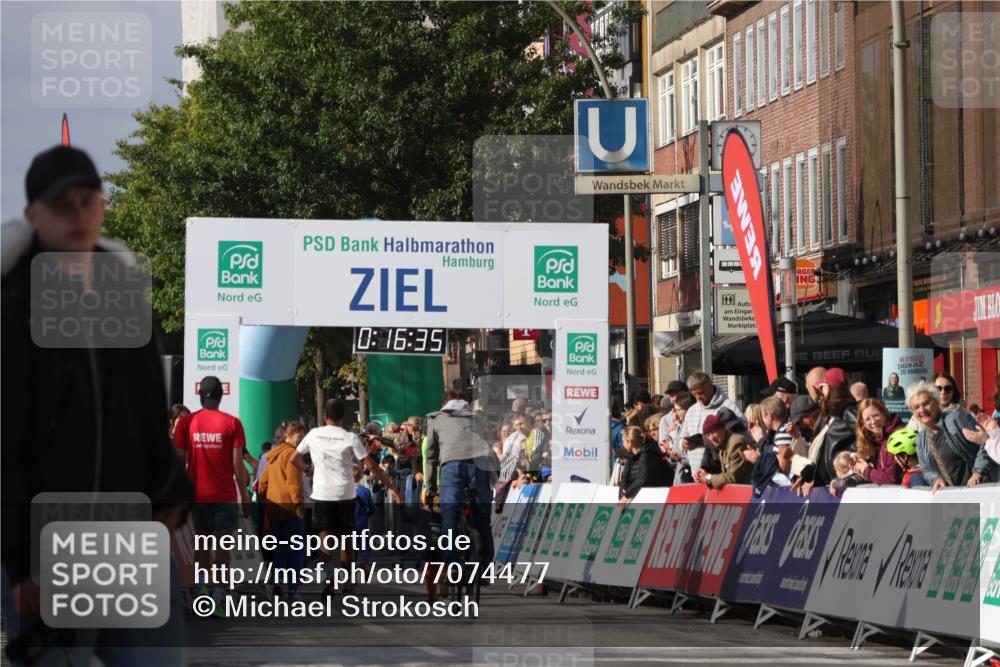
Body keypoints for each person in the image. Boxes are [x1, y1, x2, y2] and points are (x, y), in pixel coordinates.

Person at [2, 145, 192, 664]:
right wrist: (21, 566)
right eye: (61, 204)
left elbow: (150, 411)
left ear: (103, 207)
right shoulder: (12, 303)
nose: (78, 215)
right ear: (32, 215)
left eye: (89, 201)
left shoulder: (125, 289)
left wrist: (171, 504)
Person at [291, 399, 401, 598]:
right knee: (347, 540)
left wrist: (308, 470)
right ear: (343, 418)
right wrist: (392, 487)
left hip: (322, 493)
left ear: (325, 415)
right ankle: (348, 582)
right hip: (345, 493)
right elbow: (372, 466)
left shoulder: (314, 434)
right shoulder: (350, 437)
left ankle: (330, 577)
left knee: (325, 538)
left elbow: (294, 458)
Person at [173, 375, 249, 613]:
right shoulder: (232, 423)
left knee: (202, 546)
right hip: (225, 496)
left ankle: (202, 590)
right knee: (222, 548)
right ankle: (219, 594)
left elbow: (179, 463)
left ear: (199, 395)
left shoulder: (187, 423)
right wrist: (244, 496)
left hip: (197, 496)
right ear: (221, 396)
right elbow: (238, 466)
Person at [424, 389, 496, 569]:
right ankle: (486, 567)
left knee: (450, 515)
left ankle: (452, 565)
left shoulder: (436, 419)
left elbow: (431, 455)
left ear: (444, 403)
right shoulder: (476, 418)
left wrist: (431, 487)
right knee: (482, 518)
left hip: (452, 465)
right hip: (480, 464)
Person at [909, 384, 996, 492]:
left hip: (981, 488)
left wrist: (978, 472)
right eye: (916, 407)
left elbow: (986, 441)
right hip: (953, 497)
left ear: (936, 402)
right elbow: (926, 469)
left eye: (926, 403)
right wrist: (936, 479)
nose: (922, 410)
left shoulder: (957, 418)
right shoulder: (921, 439)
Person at [258, 421, 307, 599]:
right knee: (296, 550)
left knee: (280, 548)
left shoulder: (271, 455)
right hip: (291, 509)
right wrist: (298, 506)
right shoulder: (292, 455)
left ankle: (278, 581)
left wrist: (266, 500)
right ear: (289, 436)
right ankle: (294, 589)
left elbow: (262, 484)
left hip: (274, 508)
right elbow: (294, 485)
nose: (301, 440)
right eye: (299, 437)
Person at [794, 367, 858, 494]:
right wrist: (810, 477)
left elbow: (865, 438)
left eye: (823, 387)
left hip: (841, 483)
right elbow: (823, 453)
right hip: (831, 483)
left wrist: (847, 462)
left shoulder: (848, 411)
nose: (821, 391)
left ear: (830, 388)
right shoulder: (831, 415)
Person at [678, 372, 744, 474]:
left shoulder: (728, 407)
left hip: (720, 473)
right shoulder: (691, 411)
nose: (698, 397)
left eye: (700, 393)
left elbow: (742, 435)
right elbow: (682, 437)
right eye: (694, 394)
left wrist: (705, 441)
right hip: (696, 474)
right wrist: (683, 443)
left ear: (710, 386)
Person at [852, 398, 904, 485]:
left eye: (876, 415)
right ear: (863, 423)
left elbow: (890, 479)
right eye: (867, 419)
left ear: (884, 414)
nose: (873, 421)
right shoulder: (871, 441)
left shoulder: (896, 437)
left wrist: (866, 471)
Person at [694, 414, 752, 489]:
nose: (711, 438)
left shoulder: (735, 443)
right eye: (708, 435)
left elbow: (733, 477)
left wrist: (708, 477)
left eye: (713, 432)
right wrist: (702, 474)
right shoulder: (723, 444)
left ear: (722, 428)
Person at [618, 426, 670, 507]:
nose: (622, 444)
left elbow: (643, 479)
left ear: (629, 442)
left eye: (623, 441)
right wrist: (622, 496)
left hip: (655, 497)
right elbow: (624, 477)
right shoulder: (631, 455)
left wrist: (626, 495)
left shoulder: (647, 454)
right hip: (640, 496)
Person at [353, 466, 375, 570]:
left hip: (348, 522)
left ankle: (351, 569)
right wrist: (368, 514)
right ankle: (364, 561)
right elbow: (372, 508)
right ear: (361, 476)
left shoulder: (345, 491)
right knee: (364, 545)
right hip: (362, 521)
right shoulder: (365, 491)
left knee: (350, 546)